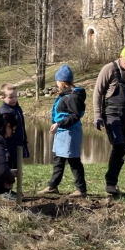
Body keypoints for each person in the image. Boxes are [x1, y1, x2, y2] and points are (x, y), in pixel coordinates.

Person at [93, 45, 125, 195]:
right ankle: (110, 183)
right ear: (121, 57)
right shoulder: (109, 69)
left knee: (121, 149)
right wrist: (97, 115)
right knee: (119, 146)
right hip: (111, 114)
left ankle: (112, 184)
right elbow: (97, 92)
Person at [38, 64, 88, 198]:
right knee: (58, 159)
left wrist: (59, 123)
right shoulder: (65, 95)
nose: (56, 83)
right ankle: (52, 186)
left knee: (73, 160)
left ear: (62, 82)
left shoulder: (72, 96)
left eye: (57, 81)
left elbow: (75, 116)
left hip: (70, 132)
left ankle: (81, 189)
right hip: (62, 132)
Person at [0, 83, 29, 199]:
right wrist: (5, 149)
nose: (14, 99)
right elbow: (1, 133)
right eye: (11, 97)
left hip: (18, 144)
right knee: (8, 168)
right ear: (2, 97)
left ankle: (9, 189)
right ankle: (5, 192)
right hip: (9, 145)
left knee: (16, 167)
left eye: (16, 96)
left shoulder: (16, 108)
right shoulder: (5, 112)